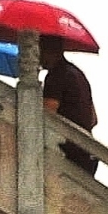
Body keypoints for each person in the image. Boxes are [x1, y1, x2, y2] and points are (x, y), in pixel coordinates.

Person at [42, 38, 98, 173]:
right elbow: (93, 119)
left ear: (46, 51)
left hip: (68, 151)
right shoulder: (78, 74)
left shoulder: (55, 76)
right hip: (89, 152)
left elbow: (46, 115)